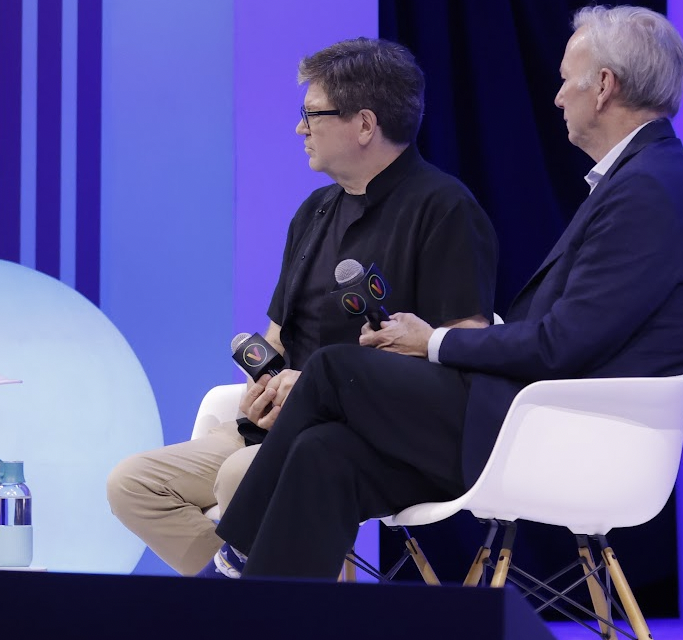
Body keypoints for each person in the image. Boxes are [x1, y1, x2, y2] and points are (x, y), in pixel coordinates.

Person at [207, 5, 683, 579]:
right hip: (532, 416)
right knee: (323, 454)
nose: (558, 97)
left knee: (334, 369)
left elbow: (560, 346)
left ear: (603, 86)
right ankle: (267, 618)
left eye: (566, 80)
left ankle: (233, 559)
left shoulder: (648, 191)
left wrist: (433, 342)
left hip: (560, 434)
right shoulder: (647, 178)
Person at [106, 38, 499, 575]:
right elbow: (277, 334)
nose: (299, 129)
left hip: (365, 437)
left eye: (311, 114)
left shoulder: (444, 208)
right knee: (132, 484)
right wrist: (262, 390)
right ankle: (236, 589)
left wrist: (319, 385)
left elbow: (464, 348)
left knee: (239, 476)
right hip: (273, 425)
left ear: (365, 124)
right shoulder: (314, 211)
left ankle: (255, 589)